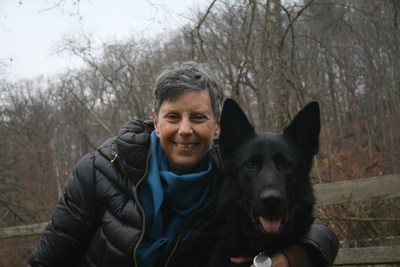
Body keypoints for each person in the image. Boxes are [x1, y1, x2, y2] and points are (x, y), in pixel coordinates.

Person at [28, 61, 338, 267]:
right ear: (156, 121)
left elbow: (313, 227)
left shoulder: (231, 176)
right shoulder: (101, 170)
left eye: (198, 117)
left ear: (217, 128)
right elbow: (47, 259)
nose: (185, 129)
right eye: (173, 116)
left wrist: (292, 256)